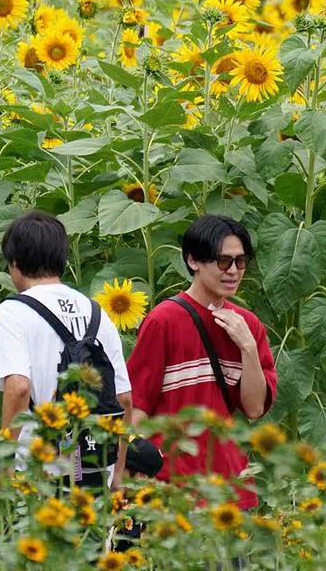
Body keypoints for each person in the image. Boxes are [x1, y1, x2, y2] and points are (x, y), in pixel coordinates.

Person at [124, 215, 277, 510]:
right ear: (193, 260)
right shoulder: (164, 320)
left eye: (240, 262)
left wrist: (247, 347)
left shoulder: (248, 325)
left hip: (228, 488)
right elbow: (137, 406)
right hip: (171, 488)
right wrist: (132, 478)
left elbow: (255, 408)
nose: (233, 271)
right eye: (223, 262)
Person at [0, 211, 133, 486]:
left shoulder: (12, 312)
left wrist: (5, 467)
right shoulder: (98, 314)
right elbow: (123, 399)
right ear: (61, 259)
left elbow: (18, 388)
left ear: (14, 263)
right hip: (95, 470)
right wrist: (117, 475)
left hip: (35, 473)